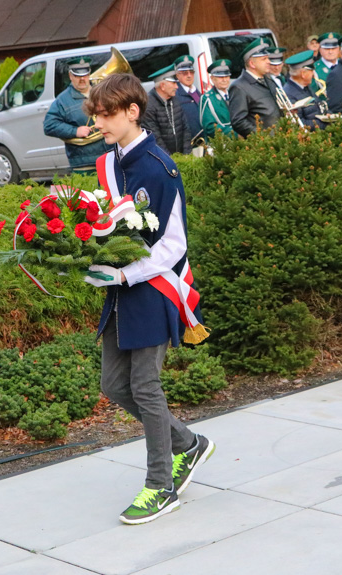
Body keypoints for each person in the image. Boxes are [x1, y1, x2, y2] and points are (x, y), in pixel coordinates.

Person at [82, 73, 215, 524]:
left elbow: (174, 245)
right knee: (113, 385)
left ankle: (161, 486)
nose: (99, 122)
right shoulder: (108, 163)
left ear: (132, 111)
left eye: (107, 114)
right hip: (120, 289)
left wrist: (126, 272)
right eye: (96, 115)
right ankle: (188, 444)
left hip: (153, 288)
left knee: (144, 386)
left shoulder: (159, 167)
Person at [43, 57, 109, 175]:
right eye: (77, 76)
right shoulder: (62, 101)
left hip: (110, 155)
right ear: (70, 76)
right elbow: (49, 125)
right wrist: (75, 131)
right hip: (84, 164)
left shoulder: (101, 91)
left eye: (85, 74)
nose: (82, 79)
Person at [229, 38, 282, 137]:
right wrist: (261, 137)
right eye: (264, 59)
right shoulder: (239, 87)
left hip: (279, 140)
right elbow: (238, 121)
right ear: (252, 64)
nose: (269, 62)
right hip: (263, 146)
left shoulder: (268, 80)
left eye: (268, 58)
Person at [142, 64, 191, 155]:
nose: (177, 87)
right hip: (163, 159)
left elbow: (185, 128)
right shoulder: (149, 105)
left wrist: (186, 155)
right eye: (174, 83)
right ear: (163, 86)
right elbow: (155, 138)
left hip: (181, 157)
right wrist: (170, 160)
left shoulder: (175, 100)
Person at [283, 50, 327, 129]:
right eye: (311, 71)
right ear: (303, 74)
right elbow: (299, 123)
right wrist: (325, 123)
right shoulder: (288, 94)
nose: (313, 74)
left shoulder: (306, 87)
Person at [172, 55, 203, 149]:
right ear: (177, 75)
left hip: (203, 142)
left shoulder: (197, 92)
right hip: (189, 144)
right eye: (185, 73)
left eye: (191, 72)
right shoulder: (175, 94)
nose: (189, 75)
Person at [200, 59, 234, 137]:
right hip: (220, 144)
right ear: (212, 79)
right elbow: (209, 128)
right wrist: (234, 134)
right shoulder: (207, 98)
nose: (224, 80)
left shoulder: (234, 94)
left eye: (226, 76)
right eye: (220, 77)